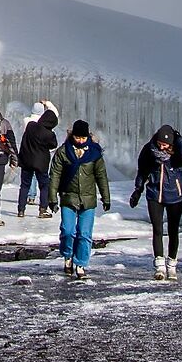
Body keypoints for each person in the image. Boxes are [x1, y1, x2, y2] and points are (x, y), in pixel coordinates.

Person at [48, 117, 110, 278]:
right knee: (68, 231)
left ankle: (81, 263)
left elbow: (101, 176)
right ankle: (68, 255)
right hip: (68, 197)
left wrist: (106, 197)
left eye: (83, 138)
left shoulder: (94, 153)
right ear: (72, 136)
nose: (80, 140)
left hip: (88, 199)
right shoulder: (63, 151)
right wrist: (52, 197)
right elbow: (55, 175)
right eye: (77, 137)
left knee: (84, 233)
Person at [131, 123, 182, 279]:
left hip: (175, 195)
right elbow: (142, 171)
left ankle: (172, 264)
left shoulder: (178, 152)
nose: (162, 147)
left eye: (166, 144)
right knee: (157, 230)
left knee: (173, 230)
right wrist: (138, 190)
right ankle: (159, 265)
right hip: (155, 194)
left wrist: (178, 139)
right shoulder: (149, 150)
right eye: (160, 144)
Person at [16, 100, 59, 216]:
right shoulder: (49, 134)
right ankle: (43, 209)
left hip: (26, 160)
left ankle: (21, 209)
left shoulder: (30, 126)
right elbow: (53, 145)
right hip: (41, 162)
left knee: (24, 185)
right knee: (44, 186)